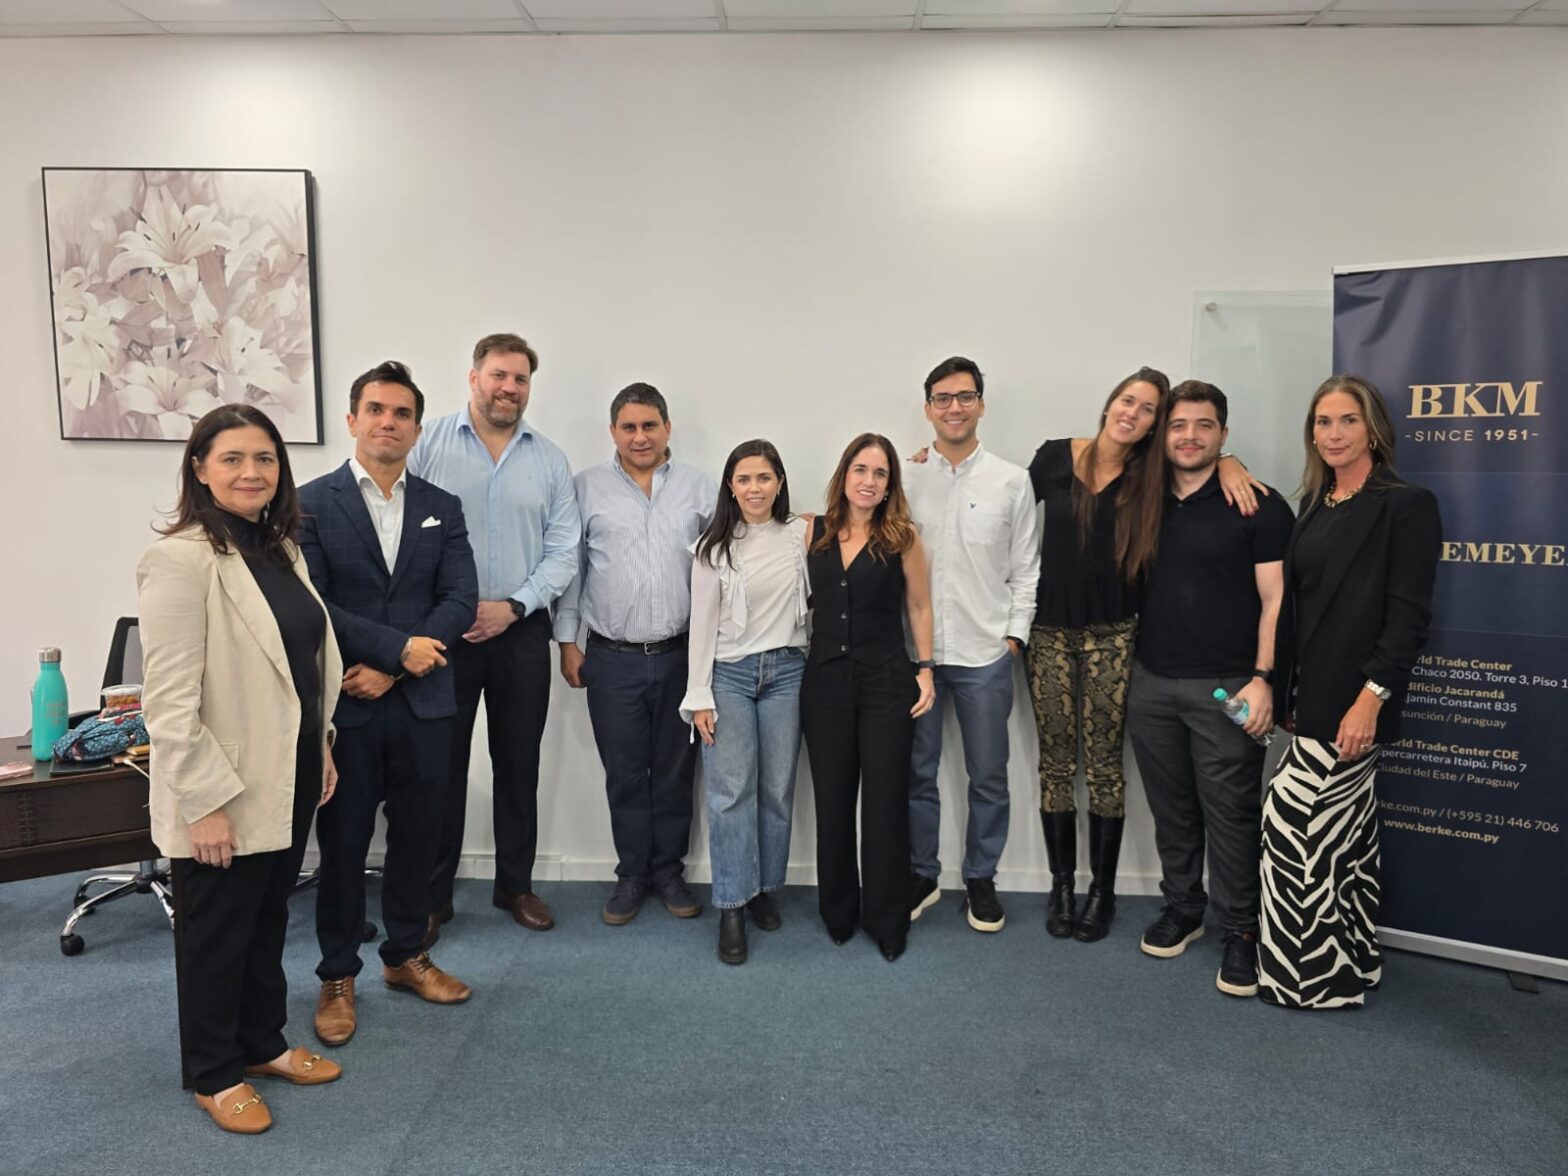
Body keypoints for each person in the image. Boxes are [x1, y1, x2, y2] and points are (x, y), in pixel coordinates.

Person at [137, 404, 344, 1135]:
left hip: (286, 772)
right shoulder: (180, 560)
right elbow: (168, 705)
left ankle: (261, 1043)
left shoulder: (278, 548)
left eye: (265, 458)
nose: (252, 472)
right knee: (217, 933)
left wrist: (321, 745)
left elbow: (303, 666)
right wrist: (203, 802)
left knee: (266, 919)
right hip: (221, 787)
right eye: (232, 458)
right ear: (200, 468)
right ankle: (215, 1072)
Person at [1025, 368, 1261, 943]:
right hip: (1048, 633)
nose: (1133, 413)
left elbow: (1203, 463)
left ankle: (1102, 894)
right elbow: (1001, 515)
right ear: (1110, 403)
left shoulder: (1150, 475)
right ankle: (1061, 888)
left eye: (1149, 409)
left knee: (1106, 769)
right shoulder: (1052, 458)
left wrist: (1233, 462)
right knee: (1056, 766)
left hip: (1115, 636)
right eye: (1128, 400)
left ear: (1155, 426)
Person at [298, 361, 478, 1046]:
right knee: (344, 845)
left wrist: (398, 669)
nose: (388, 422)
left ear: (417, 428)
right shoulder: (309, 504)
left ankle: (406, 957)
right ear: (352, 420)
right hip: (348, 705)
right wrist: (394, 651)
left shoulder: (442, 506)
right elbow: (315, 602)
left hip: (423, 703)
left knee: (418, 839)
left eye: (402, 413)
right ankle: (337, 976)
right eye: (375, 410)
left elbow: (460, 599)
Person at [1260, 375, 1441, 1010]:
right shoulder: (1316, 502)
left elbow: (1408, 619)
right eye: (1323, 421)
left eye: (1348, 420)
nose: (1333, 433)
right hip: (1310, 694)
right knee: (1349, 838)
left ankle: (1304, 979)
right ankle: (1354, 965)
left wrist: (1372, 699)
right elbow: (1302, 608)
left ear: (1374, 430)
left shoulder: (1405, 505)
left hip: (1356, 700)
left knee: (1292, 829)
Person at [408, 333, 581, 936]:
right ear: (474, 377)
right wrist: (449, 612)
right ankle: (434, 895)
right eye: (499, 375)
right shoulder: (427, 445)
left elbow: (564, 551)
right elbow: (400, 528)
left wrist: (513, 606)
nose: (509, 388)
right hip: (442, 635)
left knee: (518, 763)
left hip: (520, 631)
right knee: (440, 766)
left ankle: (515, 887)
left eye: (520, 379)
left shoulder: (549, 460)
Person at [1126, 381, 1293, 998]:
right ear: (1161, 435)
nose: (1190, 436)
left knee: (1231, 814)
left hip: (1229, 687)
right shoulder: (1143, 499)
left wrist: (1265, 679)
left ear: (1224, 433)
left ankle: (1241, 929)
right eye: (1178, 425)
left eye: (1204, 426)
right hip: (1151, 683)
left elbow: (1277, 600)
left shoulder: (1258, 506)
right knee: (1172, 809)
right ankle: (1183, 907)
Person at [554, 383, 716, 925]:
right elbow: (572, 569)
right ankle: (632, 875)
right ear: (613, 432)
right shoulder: (585, 488)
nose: (640, 437)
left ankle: (669, 872)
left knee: (675, 772)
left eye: (649, 425)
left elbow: (725, 564)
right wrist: (568, 641)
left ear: (668, 428)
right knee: (624, 773)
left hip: (680, 657)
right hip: (611, 658)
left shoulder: (699, 488)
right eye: (629, 427)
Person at [903, 357, 1039, 934]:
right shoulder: (904, 478)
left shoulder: (1011, 480)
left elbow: (1026, 568)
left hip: (986, 654)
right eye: (942, 398)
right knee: (917, 773)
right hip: (918, 656)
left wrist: (1014, 638)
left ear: (981, 404)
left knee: (988, 775)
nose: (953, 407)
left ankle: (981, 878)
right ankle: (921, 873)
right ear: (927, 408)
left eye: (964, 396)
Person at [801, 433, 936, 962]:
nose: (869, 480)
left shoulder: (903, 537)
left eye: (880, 473)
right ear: (844, 475)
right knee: (833, 801)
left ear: (890, 485)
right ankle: (838, 911)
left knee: (884, 804)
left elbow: (919, 607)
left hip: (886, 682)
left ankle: (887, 918)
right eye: (861, 469)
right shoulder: (811, 531)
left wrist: (925, 669)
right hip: (825, 684)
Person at [681, 440, 812, 965]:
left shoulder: (802, 534)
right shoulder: (711, 547)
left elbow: (861, 511)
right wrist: (699, 695)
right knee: (730, 793)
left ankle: (764, 889)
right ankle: (732, 904)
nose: (754, 488)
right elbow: (701, 627)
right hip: (729, 677)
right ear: (730, 487)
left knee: (777, 790)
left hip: (788, 673)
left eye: (764, 478)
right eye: (744, 479)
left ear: (779, 483)